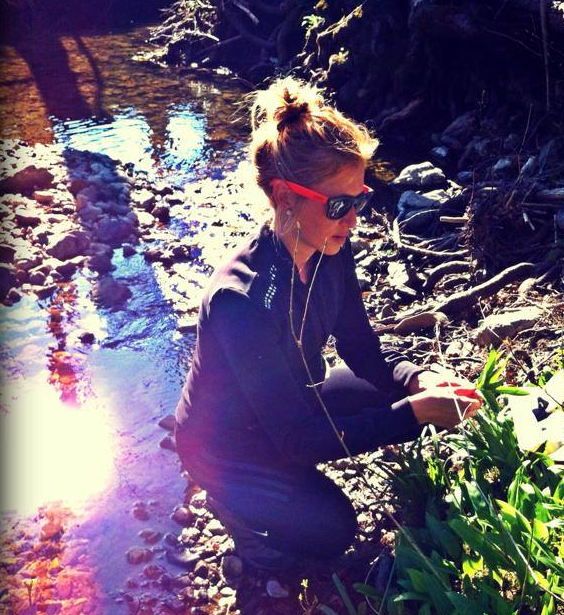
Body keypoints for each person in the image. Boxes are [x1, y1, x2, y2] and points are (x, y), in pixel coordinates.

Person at [174, 77, 482, 573]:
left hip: (291, 400)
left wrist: (417, 381)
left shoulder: (330, 249)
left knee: (386, 391)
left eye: (359, 200)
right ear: (284, 196)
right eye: (339, 205)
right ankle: (238, 514)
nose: (353, 219)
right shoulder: (240, 302)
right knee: (332, 529)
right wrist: (415, 414)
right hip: (228, 447)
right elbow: (296, 440)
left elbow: (362, 349)